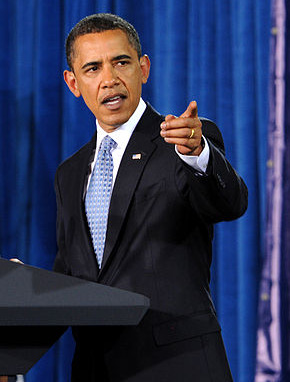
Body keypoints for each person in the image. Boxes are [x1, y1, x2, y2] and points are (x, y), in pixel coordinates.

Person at [54, 13, 248, 381]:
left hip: (177, 365)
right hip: (95, 368)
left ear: (143, 68)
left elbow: (230, 203)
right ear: (73, 82)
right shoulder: (69, 173)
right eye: (93, 68)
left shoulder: (182, 142)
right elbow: (72, 271)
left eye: (121, 62)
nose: (109, 79)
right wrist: (23, 287)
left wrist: (199, 154)